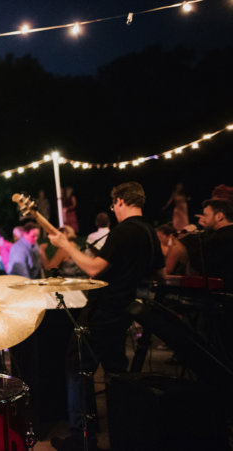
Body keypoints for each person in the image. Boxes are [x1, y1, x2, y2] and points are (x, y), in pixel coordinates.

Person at [48, 181, 164, 451]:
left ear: (121, 201)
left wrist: (66, 244)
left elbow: (93, 269)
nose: (114, 210)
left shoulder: (123, 231)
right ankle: (124, 432)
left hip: (105, 311)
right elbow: (159, 274)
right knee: (115, 372)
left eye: (114, 205)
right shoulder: (149, 232)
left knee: (77, 368)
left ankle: (82, 438)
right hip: (126, 312)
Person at [182, 198, 233, 290]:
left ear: (219, 216)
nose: (203, 219)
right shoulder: (228, 233)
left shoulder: (219, 238)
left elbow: (199, 264)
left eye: (206, 215)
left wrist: (190, 237)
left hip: (222, 293)